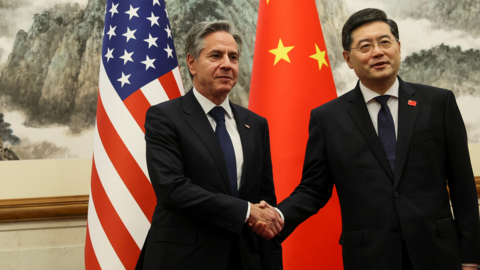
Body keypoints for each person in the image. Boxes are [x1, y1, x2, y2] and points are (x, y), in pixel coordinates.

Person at [261, 8, 480, 270]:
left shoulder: (438, 102)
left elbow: (462, 185)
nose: (377, 52)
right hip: (369, 257)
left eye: (384, 42)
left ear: (398, 47)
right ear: (348, 58)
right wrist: (278, 215)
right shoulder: (328, 118)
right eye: (365, 46)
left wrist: (471, 258)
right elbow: (313, 189)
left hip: (438, 254)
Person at [135, 21, 283, 270]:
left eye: (233, 57)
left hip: (244, 259)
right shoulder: (165, 117)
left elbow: (264, 203)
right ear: (192, 63)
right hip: (182, 260)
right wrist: (245, 211)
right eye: (216, 55)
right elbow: (172, 190)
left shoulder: (255, 124)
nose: (227, 64)